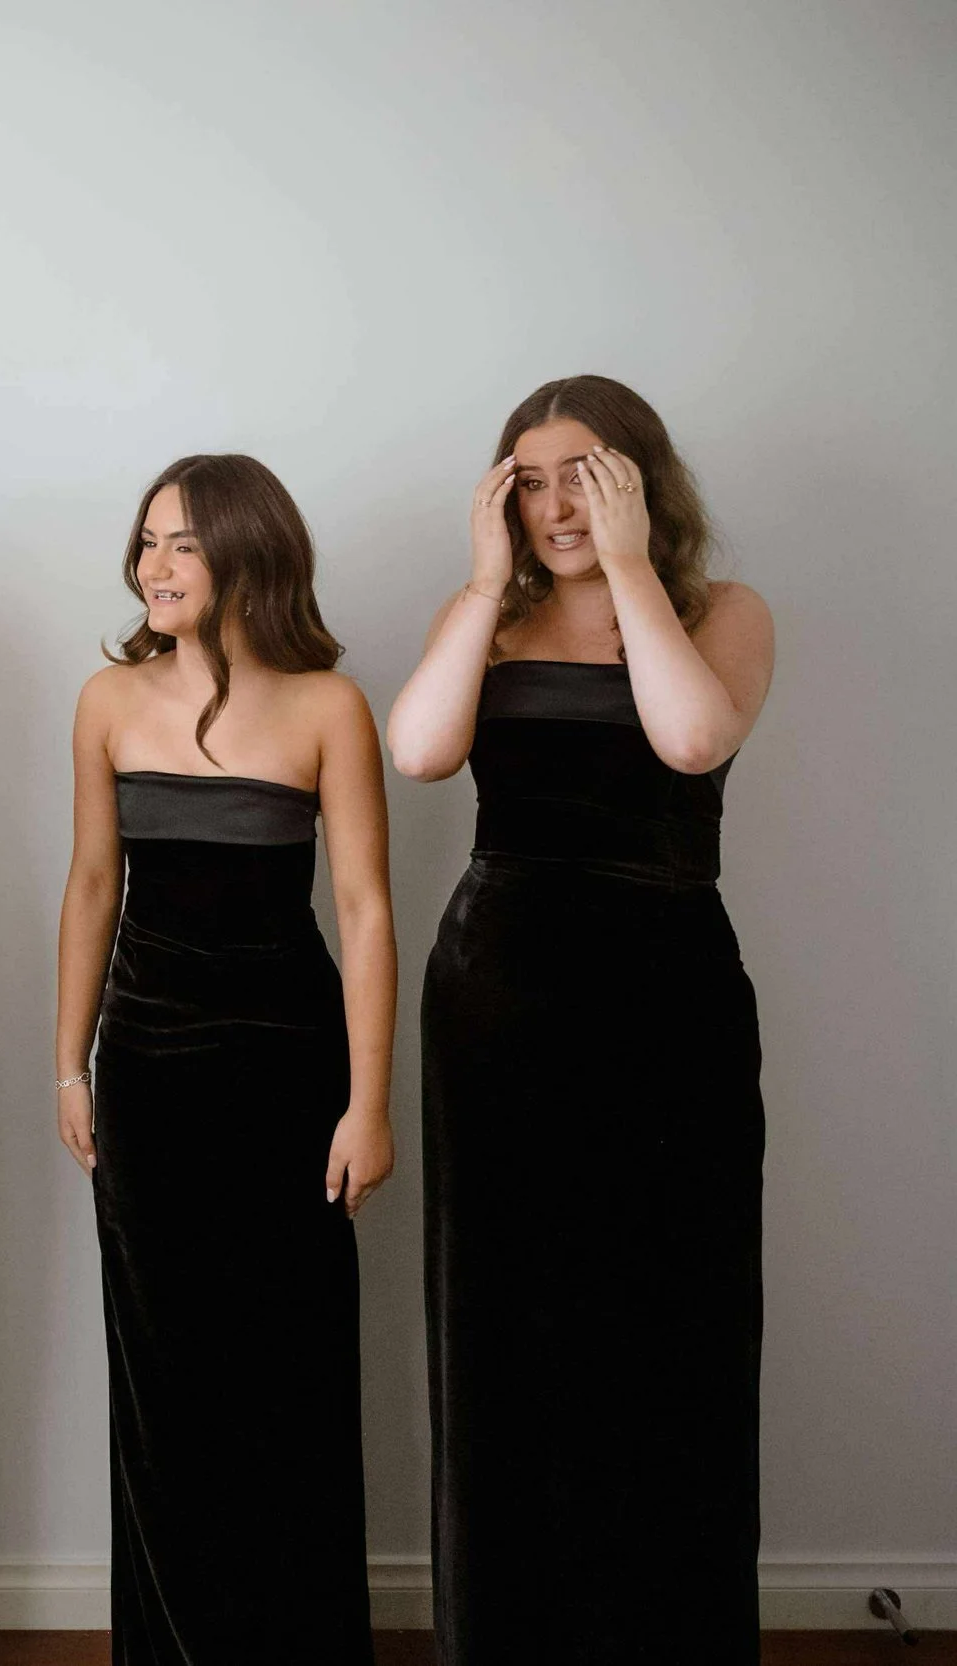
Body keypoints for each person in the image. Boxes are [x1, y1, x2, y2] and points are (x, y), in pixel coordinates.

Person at [388, 375, 774, 1663]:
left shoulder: (722, 612)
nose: (557, 502)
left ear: (637, 481)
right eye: (530, 477)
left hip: (668, 999)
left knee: (672, 1322)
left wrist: (627, 573)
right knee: (506, 1328)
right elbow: (421, 752)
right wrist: (481, 580)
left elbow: (690, 738)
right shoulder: (482, 623)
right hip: (499, 997)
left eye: (583, 474)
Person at [54, 453, 391, 1664]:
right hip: (143, 1068)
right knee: (162, 1378)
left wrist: (368, 1103)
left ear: (248, 552)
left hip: (286, 1076)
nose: (152, 565)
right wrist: (65, 1065)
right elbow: (92, 885)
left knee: (282, 1379)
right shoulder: (107, 700)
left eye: (181, 543)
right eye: (145, 541)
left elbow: (361, 910)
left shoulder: (327, 707)